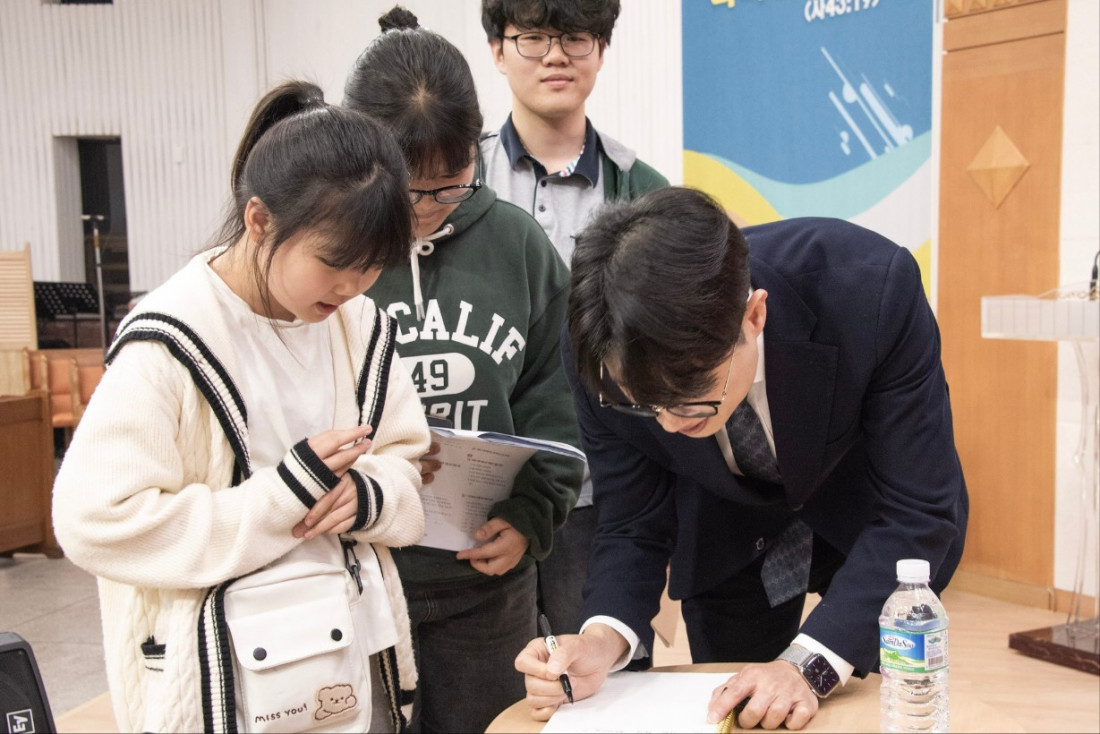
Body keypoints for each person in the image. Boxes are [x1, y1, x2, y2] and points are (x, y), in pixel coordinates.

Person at [515, 187, 969, 731]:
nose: (669, 424)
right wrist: (600, 640)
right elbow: (632, 521)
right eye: (644, 406)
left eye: (692, 398)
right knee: (740, 710)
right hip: (725, 529)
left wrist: (807, 665)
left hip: (867, 522)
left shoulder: (870, 289)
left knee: (859, 706)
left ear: (754, 315)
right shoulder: (600, 349)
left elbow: (916, 505)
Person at [52, 81, 429, 733]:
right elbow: (93, 521)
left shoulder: (360, 327)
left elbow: (406, 464)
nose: (351, 285)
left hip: (352, 668)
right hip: (218, 685)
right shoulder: (171, 340)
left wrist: (368, 496)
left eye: (373, 266)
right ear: (259, 221)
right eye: (334, 261)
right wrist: (281, 498)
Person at [343, 7, 583, 733]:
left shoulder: (518, 246)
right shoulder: (335, 251)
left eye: (451, 186)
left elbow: (557, 399)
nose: (427, 210)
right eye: (408, 192)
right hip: (357, 582)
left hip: (487, 585)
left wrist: (532, 517)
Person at [479, 0, 669, 635]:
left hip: (602, 493)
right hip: (482, 495)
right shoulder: (459, 183)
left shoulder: (642, 190)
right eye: (533, 37)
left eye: (575, 37)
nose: (555, 56)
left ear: (602, 49)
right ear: (497, 50)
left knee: (600, 665)